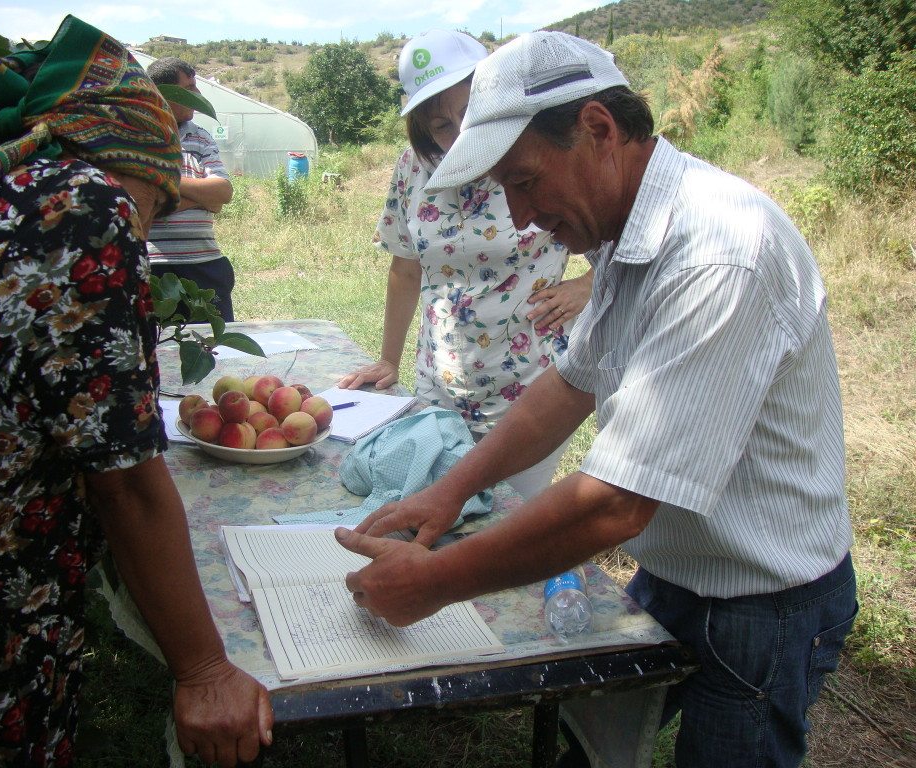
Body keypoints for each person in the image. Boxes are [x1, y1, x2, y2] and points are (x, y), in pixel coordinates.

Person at [335, 31, 857, 768]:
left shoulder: (718, 254)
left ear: (599, 130)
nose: (519, 219)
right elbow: (570, 385)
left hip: (761, 599)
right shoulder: (624, 229)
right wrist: (450, 492)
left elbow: (617, 503)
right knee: (591, 750)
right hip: (680, 569)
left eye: (524, 182)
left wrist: (439, 582)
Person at [0, 17, 271, 767]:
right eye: (156, 201)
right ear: (125, 156)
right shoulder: (84, 206)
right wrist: (202, 670)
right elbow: (124, 475)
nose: (148, 222)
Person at [338, 29, 594, 498]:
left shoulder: (536, 152)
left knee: (510, 521)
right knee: (446, 513)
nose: (460, 133)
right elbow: (405, 266)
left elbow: (629, 225)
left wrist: (589, 284)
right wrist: (388, 359)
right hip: (440, 380)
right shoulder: (413, 167)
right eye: (440, 124)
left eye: (467, 110)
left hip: (530, 382)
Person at [146, 57, 236, 321]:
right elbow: (144, 204)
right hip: (155, 269)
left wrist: (162, 181)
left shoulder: (201, 137)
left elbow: (222, 193)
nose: (197, 94)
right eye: (188, 88)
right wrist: (202, 198)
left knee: (215, 350)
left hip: (206, 266)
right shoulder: (139, 138)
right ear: (162, 93)